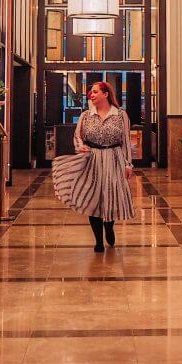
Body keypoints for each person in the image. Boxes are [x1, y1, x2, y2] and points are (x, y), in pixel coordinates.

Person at [52, 80, 135, 251]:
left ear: (106, 94)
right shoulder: (85, 115)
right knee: (93, 199)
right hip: (92, 159)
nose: (92, 95)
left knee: (111, 196)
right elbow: (78, 136)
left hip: (114, 159)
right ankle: (98, 241)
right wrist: (81, 146)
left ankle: (109, 227)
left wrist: (128, 165)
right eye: (91, 92)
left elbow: (126, 141)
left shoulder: (120, 115)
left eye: (96, 91)